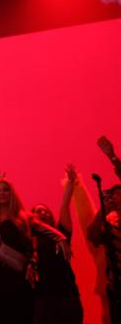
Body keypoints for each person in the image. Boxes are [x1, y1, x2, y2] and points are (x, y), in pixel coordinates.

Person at [0, 178, 69, 324]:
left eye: (5, 189)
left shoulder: (23, 217)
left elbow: (43, 228)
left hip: (18, 278)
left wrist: (60, 238)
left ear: (11, 193)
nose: (2, 193)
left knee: (22, 317)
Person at [30, 165, 83, 324]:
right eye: (38, 211)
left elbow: (65, 205)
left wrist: (70, 182)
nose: (43, 213)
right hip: (43, 295)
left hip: (67, 293)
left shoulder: (61, 233)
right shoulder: (29, 237)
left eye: (46, 211)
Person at [88, 136, 121, 324]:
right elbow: (93, 237)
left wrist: (112, 156)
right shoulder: (109, 221)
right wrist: (101, 214)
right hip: (115, 283)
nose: (116, 197)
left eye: (120, 193)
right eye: (114, 195)